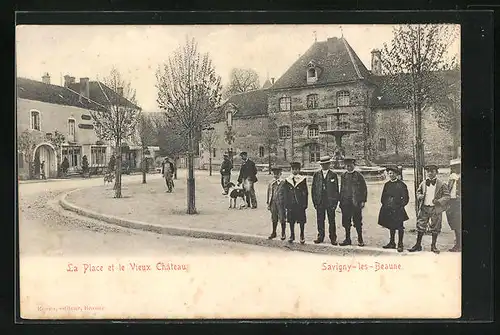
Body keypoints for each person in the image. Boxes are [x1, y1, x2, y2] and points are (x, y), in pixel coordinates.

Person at [408, 164, 450, 254]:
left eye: (432, 171)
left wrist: (439, 201)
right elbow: (418, 192)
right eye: (428, 171)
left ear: (436, 172)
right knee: (420, 225)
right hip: (424, 208)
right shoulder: (423, 183)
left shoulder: (441, 184)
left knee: (435, 227)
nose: (430, 173)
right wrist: (420, 196)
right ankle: (418, 245)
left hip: (435, 209)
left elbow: (447, 196)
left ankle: (433, 246)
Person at [378, 166, 410, 252]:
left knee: (399, 227)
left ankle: (400, 243)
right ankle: (392, 242)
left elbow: (406, 198)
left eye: (392, 173)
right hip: (389, 208)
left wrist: (400, 205)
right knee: (391, 226)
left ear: (396, 174)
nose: (391, 175)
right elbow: (383, 197)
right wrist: (386, 204)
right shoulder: (387, 184)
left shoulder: (401, 185)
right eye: (389, 173)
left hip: (398, 209)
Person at [339, 156, 367, 247]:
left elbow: (364, 189)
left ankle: (360, 238)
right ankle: (347, 239)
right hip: (346, 203)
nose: (348, 167)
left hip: (356, 203)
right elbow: (342, 189)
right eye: (347, 166)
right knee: (346, 222)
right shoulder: (343, 176)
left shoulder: (359, 176)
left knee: (358, 221)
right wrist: (341, 201)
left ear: (353, 165)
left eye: (350, 165)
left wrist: (363, 201)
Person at [311, 155, 340, 245]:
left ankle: (333, 238)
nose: (325, 166)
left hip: (330, 202)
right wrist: (315, 202)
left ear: (329, 164)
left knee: (331, 220)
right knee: (320, 220)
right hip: (320, 201)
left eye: (326, 164)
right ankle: (320, 236)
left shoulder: (333, 175)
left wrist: (335, 203)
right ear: (321, 165)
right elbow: (313, 189)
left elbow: (336, 190)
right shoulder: (316, 175)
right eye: (323, 164)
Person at [282, 162, 308, 244]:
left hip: (300, 204)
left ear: (299, 170)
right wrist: (286, 203)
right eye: (293, 169)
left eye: (296, 169)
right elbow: (285, 193)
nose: (295, 171)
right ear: (291, 170)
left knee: (301, 220)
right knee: (291, 220)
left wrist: (305, 204)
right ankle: (292, 235)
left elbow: (305, 193)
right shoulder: (287, 180)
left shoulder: (302, 179)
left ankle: (302, 235)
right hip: (291, 204)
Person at [266, 166, 286, 240]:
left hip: (281, 203)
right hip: (273, 202)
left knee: (282, 218)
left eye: (277, 174)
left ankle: (283, 233)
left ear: (281, 174)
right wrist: (268, 203)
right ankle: (274, 232)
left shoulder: (283, 183)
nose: (276, 175)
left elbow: (285, 194)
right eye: (274, 174)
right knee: (274, 218)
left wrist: (286, 204)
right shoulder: (271, 183)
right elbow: (268, 193)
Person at [446, 158, 461, 252]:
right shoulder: (451, 177)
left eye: (458, 166)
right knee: (453, 222)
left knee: (458, 222)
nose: (456, 169)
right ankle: (458, 242)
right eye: (454, 167)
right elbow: (448, 190)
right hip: (452, 201)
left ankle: (459, 244)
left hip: (459, 202)